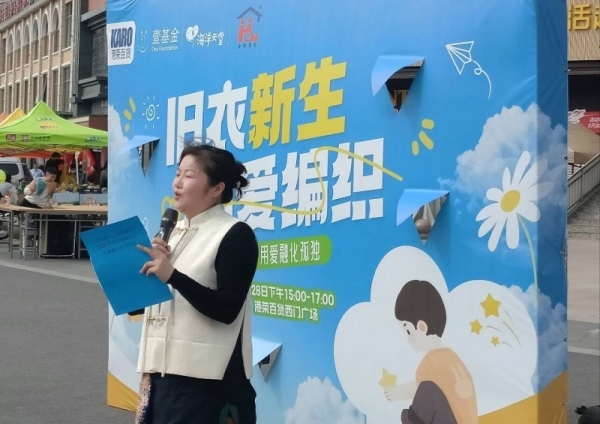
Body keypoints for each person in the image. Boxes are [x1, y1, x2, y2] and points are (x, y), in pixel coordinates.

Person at [133, 143, 258, 424]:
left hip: (207, 384)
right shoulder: (174, 232)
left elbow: (227, 308)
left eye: (189, 176)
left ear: (217, 188)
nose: (177, 183)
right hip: (160, 375)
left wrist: (172, 275)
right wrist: (129, 281)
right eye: (178, 173)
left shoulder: (235, 234)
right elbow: (152, 306)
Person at [384, 280, 478, 424]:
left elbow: (419, 388)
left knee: (426, 390)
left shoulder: (430, 362)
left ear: (422, 327)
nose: (407, 337)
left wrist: (396, 393)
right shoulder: (451, 357)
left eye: (408, 331)